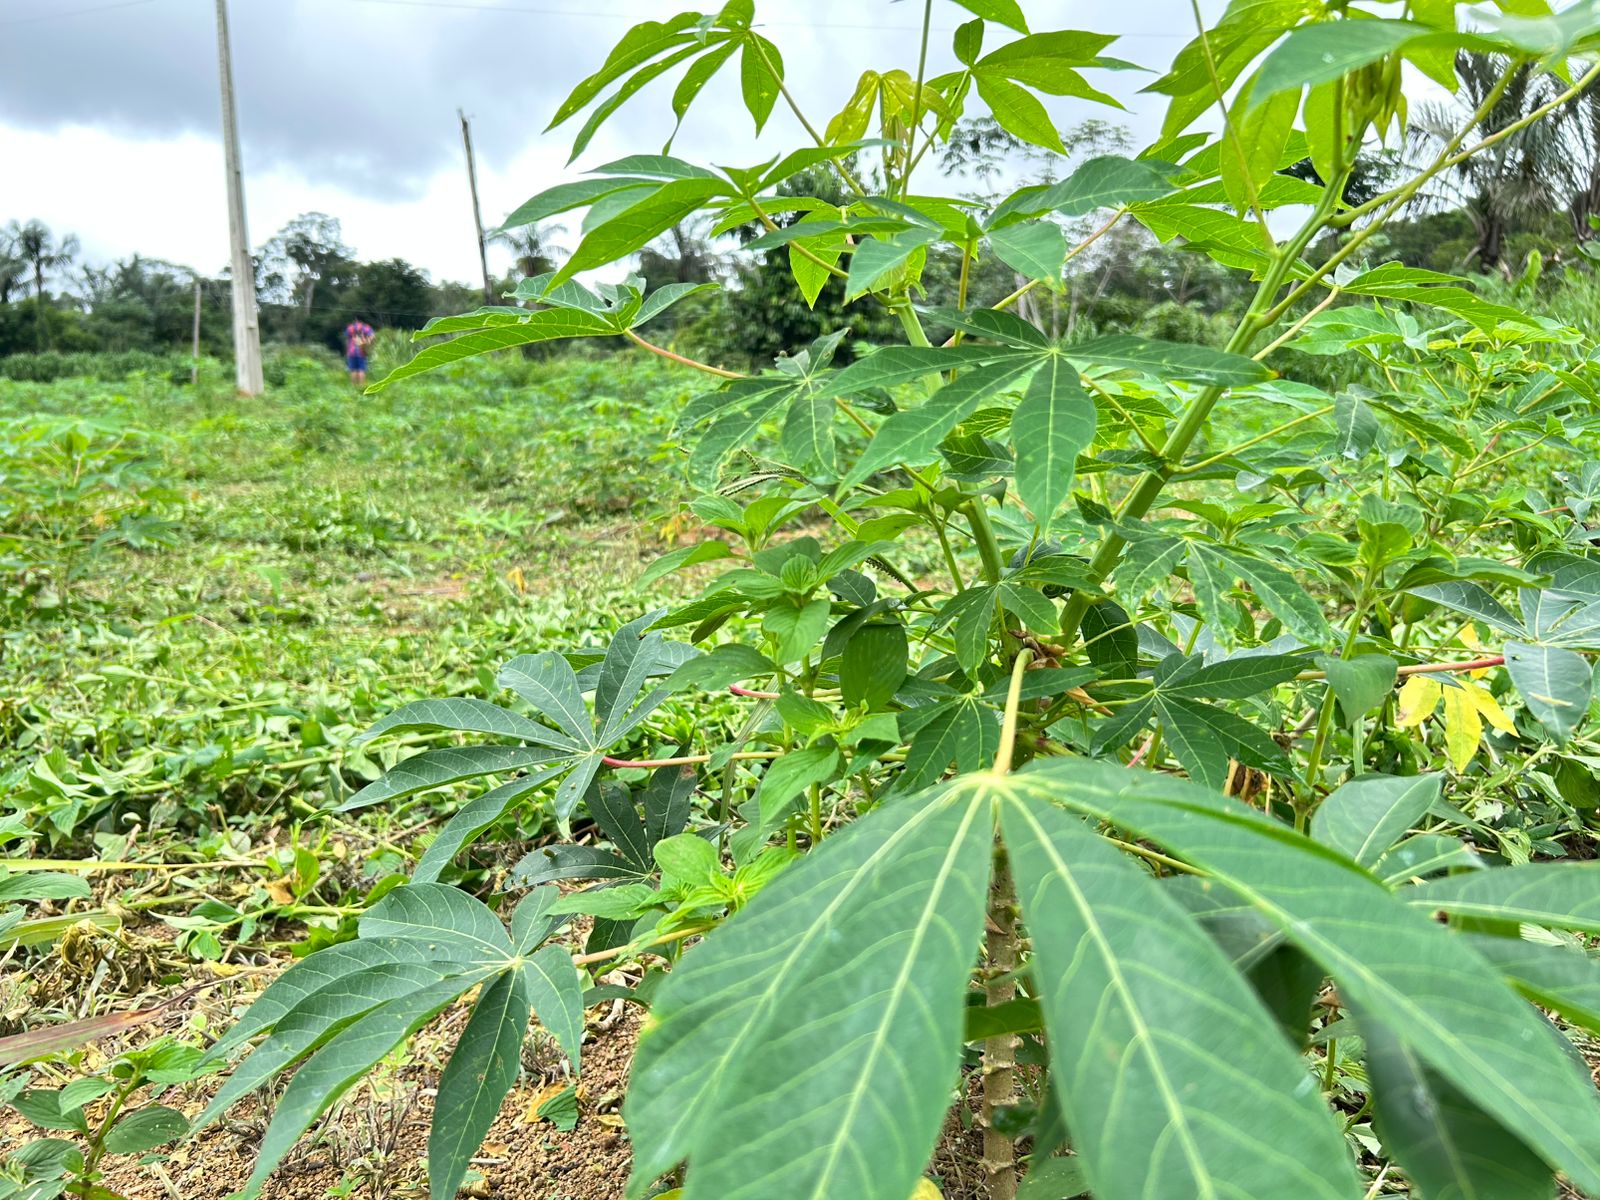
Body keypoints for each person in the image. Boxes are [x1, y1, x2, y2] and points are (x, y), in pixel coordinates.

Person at [343, 318, 375, 387]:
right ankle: (361, 386)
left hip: (351, 352)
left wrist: (347, 351)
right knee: (361, 369)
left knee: (353, 370)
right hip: (362, 351)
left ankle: (354, 386)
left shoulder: (350, 328)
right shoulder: (365, 327)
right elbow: (373, 336)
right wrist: (367, 341)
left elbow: (346, 340)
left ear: (355, 320)